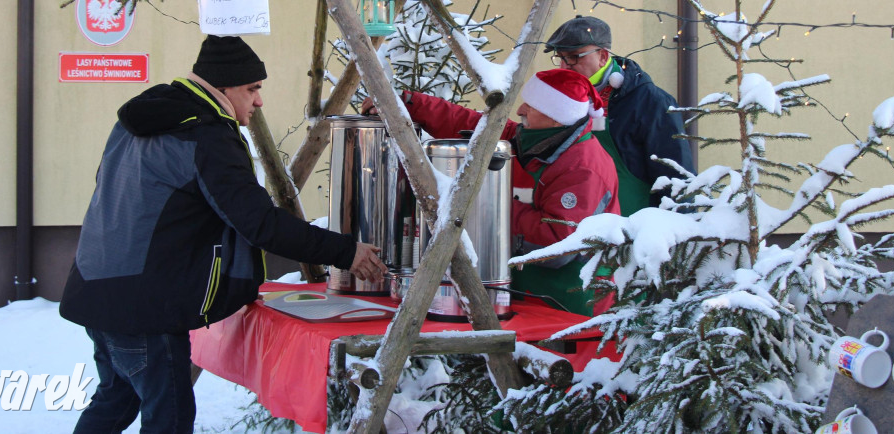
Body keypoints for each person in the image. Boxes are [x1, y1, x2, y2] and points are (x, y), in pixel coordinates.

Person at [61, 35, 386, 434]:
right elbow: (258, 222)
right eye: (253, 89)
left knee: (114, 403)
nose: (259, 101)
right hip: (145, 308)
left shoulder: (142, 118)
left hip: (99, 287)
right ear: (225, 86)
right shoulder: (207, 134)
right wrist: (345, 251)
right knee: (170, 419)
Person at [363, 69, 618, 316]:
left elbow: (556, 246)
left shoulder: (583, 168)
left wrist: (493, 204)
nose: (520, 110)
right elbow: (469, 123)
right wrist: (411, 104)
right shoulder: (531, 138)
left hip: (570, 304)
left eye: (531, 105)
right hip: (529, 293)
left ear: (555, 117)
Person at [544, 15, 694, 216]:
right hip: (575, 228)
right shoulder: (561, 98)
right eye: (560, 57)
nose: (564, 66)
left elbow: (676, 179)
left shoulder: (651, 102)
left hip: (632, 230)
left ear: (603, 56)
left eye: (574, 57)